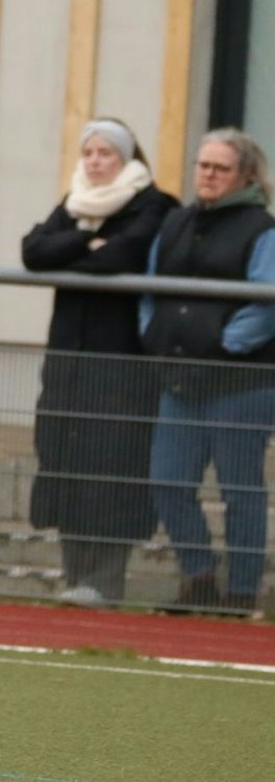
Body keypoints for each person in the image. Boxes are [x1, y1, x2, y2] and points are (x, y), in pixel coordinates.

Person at [19, 119, 175, 606]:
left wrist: (78, 256)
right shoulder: (73, 204)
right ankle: (75, 579)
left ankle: (104, 582)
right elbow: (33, 252)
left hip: (122, 365)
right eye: (88, 152)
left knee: (112, 468)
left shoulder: (154, 204)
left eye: (105, 153)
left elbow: (122, 256)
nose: (94, 161)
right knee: (65, 462)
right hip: (68, 363)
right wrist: (86, 244)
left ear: (127, 158)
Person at [141, 127, 275, 616]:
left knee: (240, 489)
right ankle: (198, 577)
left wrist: (226, 345)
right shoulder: (176, 221)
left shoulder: (263, 229)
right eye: (203, 165)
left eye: (220, 168)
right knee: (169, 481)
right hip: (180, 377)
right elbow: (151, 287)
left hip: (243, 383)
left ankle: (240, 594)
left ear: (244, 176)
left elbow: (268, 303)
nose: (208, 175)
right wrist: (152, 331)